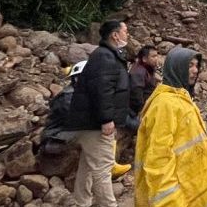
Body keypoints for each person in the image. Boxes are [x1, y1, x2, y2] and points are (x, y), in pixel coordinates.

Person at [134, 47, 207, 207]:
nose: (195, 70)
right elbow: (158, 162)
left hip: (195, 196)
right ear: (175, 67)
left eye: (197, 65)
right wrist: (170, 202)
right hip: (179, 201)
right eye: (190, 65)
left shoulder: (181, 98)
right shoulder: (165, 105)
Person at [64, 20, 131, 207]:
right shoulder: (105, 57)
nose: (128, 34)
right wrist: (106, 119)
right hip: (95, 124)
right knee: (103, 168)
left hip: (89, 122)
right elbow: (102, 90)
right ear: (114, 35)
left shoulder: (106, 55)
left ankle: (81, 202)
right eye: (125, 31)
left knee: (87, 166)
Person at [40, 61, 130, 178]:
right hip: (55, 138)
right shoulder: (69, 97)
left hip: (64, 133)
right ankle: (109, 167)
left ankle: (109, 164)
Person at [130, 45, 160, 117]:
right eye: (153, 56)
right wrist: (143, 111)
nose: (156, 59)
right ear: (144, 59)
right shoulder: (139, 72)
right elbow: (136, 96)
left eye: (157, 56)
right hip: (138, 112)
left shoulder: (148, 69)